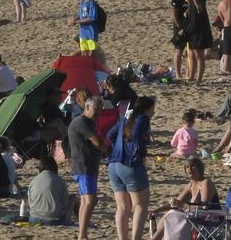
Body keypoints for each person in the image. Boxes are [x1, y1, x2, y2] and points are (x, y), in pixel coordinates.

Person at [108, 96, 154, 240]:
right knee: (140, 205)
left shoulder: (125, 118)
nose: (153, 113)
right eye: (153, 109)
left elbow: (110, 135)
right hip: (130, 165)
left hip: (113, 165)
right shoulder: (143, 119)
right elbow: (135, 134)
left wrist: (117, 148)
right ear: (147, 109)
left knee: (122, 207)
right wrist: (141, 151)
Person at [68, 96, 108, 240]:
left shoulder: (87, 122)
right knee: (89, 200)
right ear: (87, 107)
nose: (98, 113)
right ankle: (82, 235)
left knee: (88, 200)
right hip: (83, 166)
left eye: (100, 110)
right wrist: (105, 148)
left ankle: (82, 232)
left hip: (87, 166)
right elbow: (97, 141)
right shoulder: (81, 122)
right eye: (96, 109)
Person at [22, 157, 70, 225]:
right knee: (73, 198)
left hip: (33, 219)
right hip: (53, 220)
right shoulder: (60, 181)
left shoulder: (33, 181)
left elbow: (30, 202)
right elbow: (65, 203)